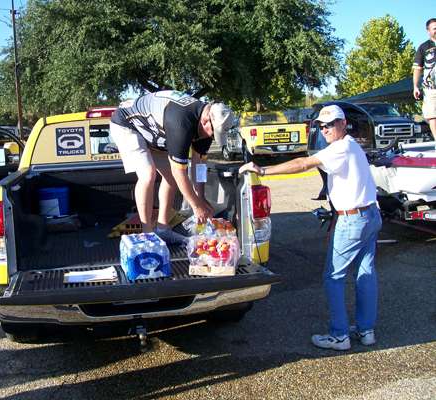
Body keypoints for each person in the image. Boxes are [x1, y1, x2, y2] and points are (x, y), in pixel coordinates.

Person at [239, 105, 382, 350]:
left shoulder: (340, 148)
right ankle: (366, 330)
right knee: (365, 274)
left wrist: (263, 169)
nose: (325, 129)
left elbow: (302, 164)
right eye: (322, 125)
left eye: (330, 124)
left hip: (354, 220)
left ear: (343, 123)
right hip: (370, 215)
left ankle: (339, 336)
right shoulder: (352, 146)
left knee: (333, 277)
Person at [110, 90, 234, 244]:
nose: (212, 137)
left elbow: (199, 165)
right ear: (206, 120)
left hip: (155, 132)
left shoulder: (206, 127)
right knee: (148, 174)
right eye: (213, 133)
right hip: (127, 124)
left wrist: (201, 198)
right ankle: (147, 233)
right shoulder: (181, 122)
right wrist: (196, 206)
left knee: (170, 178)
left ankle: (163, 229)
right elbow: (179, 171)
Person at [413, 18, 436, 140]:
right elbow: (417, 68)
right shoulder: (424, 47)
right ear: (428, 31)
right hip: (431, 88)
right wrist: (415, 86)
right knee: (432, 115)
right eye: (434, 28)